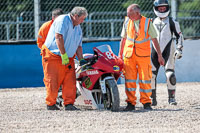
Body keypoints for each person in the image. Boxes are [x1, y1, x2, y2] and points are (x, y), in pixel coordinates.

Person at [118, 4, 165, 111]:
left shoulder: (148, 22)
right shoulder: (126, 21)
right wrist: (119, 55)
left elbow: (154, 39)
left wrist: (159, 55)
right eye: (127, 13)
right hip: (129, 56)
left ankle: (146, 102)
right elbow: (123, 39)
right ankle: (130, 103)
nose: (128, 15)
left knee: (145, 80)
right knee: (129, 80)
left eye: (130, 13)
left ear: (137, 13)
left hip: (143, 56)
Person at [41, 6, 88, 110]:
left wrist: (81, 60)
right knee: (52, 81)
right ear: (75, 16)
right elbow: (58, 37)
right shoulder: (62, 20)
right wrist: (63, 54)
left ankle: (69, 103)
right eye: (82, 18)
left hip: (68, 58)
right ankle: (51, 104)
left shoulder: (78, 27)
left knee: (70, 81)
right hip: (53, 56)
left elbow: (79, 46)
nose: (83, 21)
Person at [151, 0, 184, 106]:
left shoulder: (172, 21)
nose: (162, 10)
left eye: (164, 8)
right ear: (155, 9)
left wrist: (179, 49)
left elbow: (179, 35)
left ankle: (171, 98)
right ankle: (152, 99)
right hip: (153, 52)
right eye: (160, 8)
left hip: (169, 51)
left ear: (167, 8)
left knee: (170, 75)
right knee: (151, 76)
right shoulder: (151, 22)